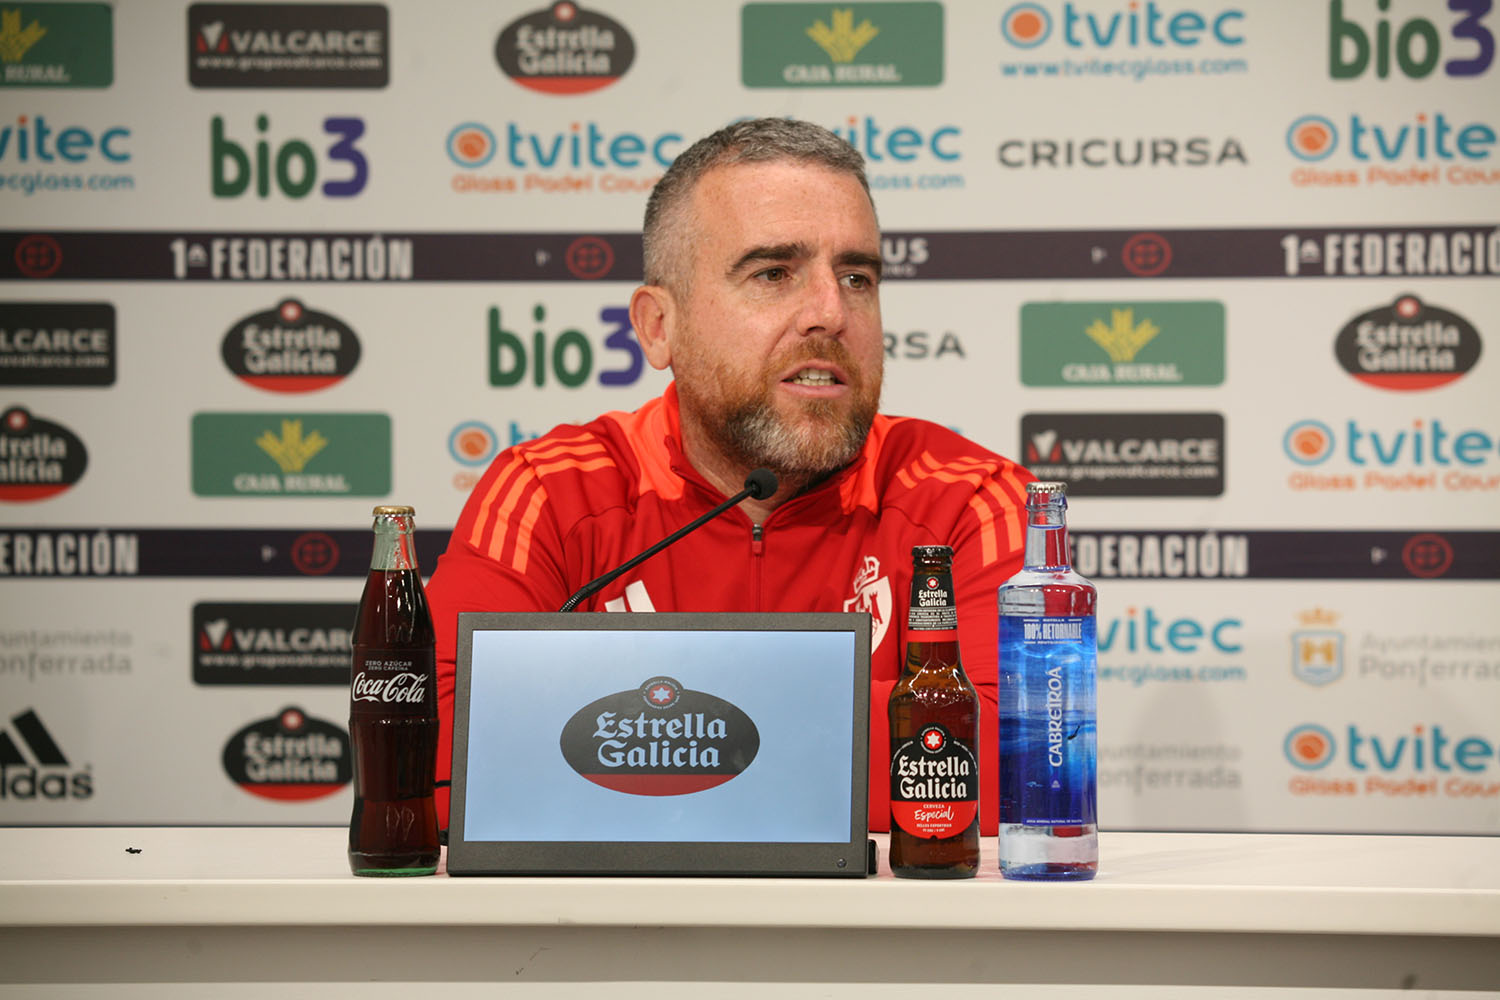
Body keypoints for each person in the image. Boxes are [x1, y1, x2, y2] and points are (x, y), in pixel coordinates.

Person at [425, 117, 1032, 834]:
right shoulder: (549, 491)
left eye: (857, 277)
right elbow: (448, 756)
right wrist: (868, 726)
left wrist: (626, 723)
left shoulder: (967, 495)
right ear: (658, 327)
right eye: (773, 273)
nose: (830, 313)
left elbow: (1018, 769)